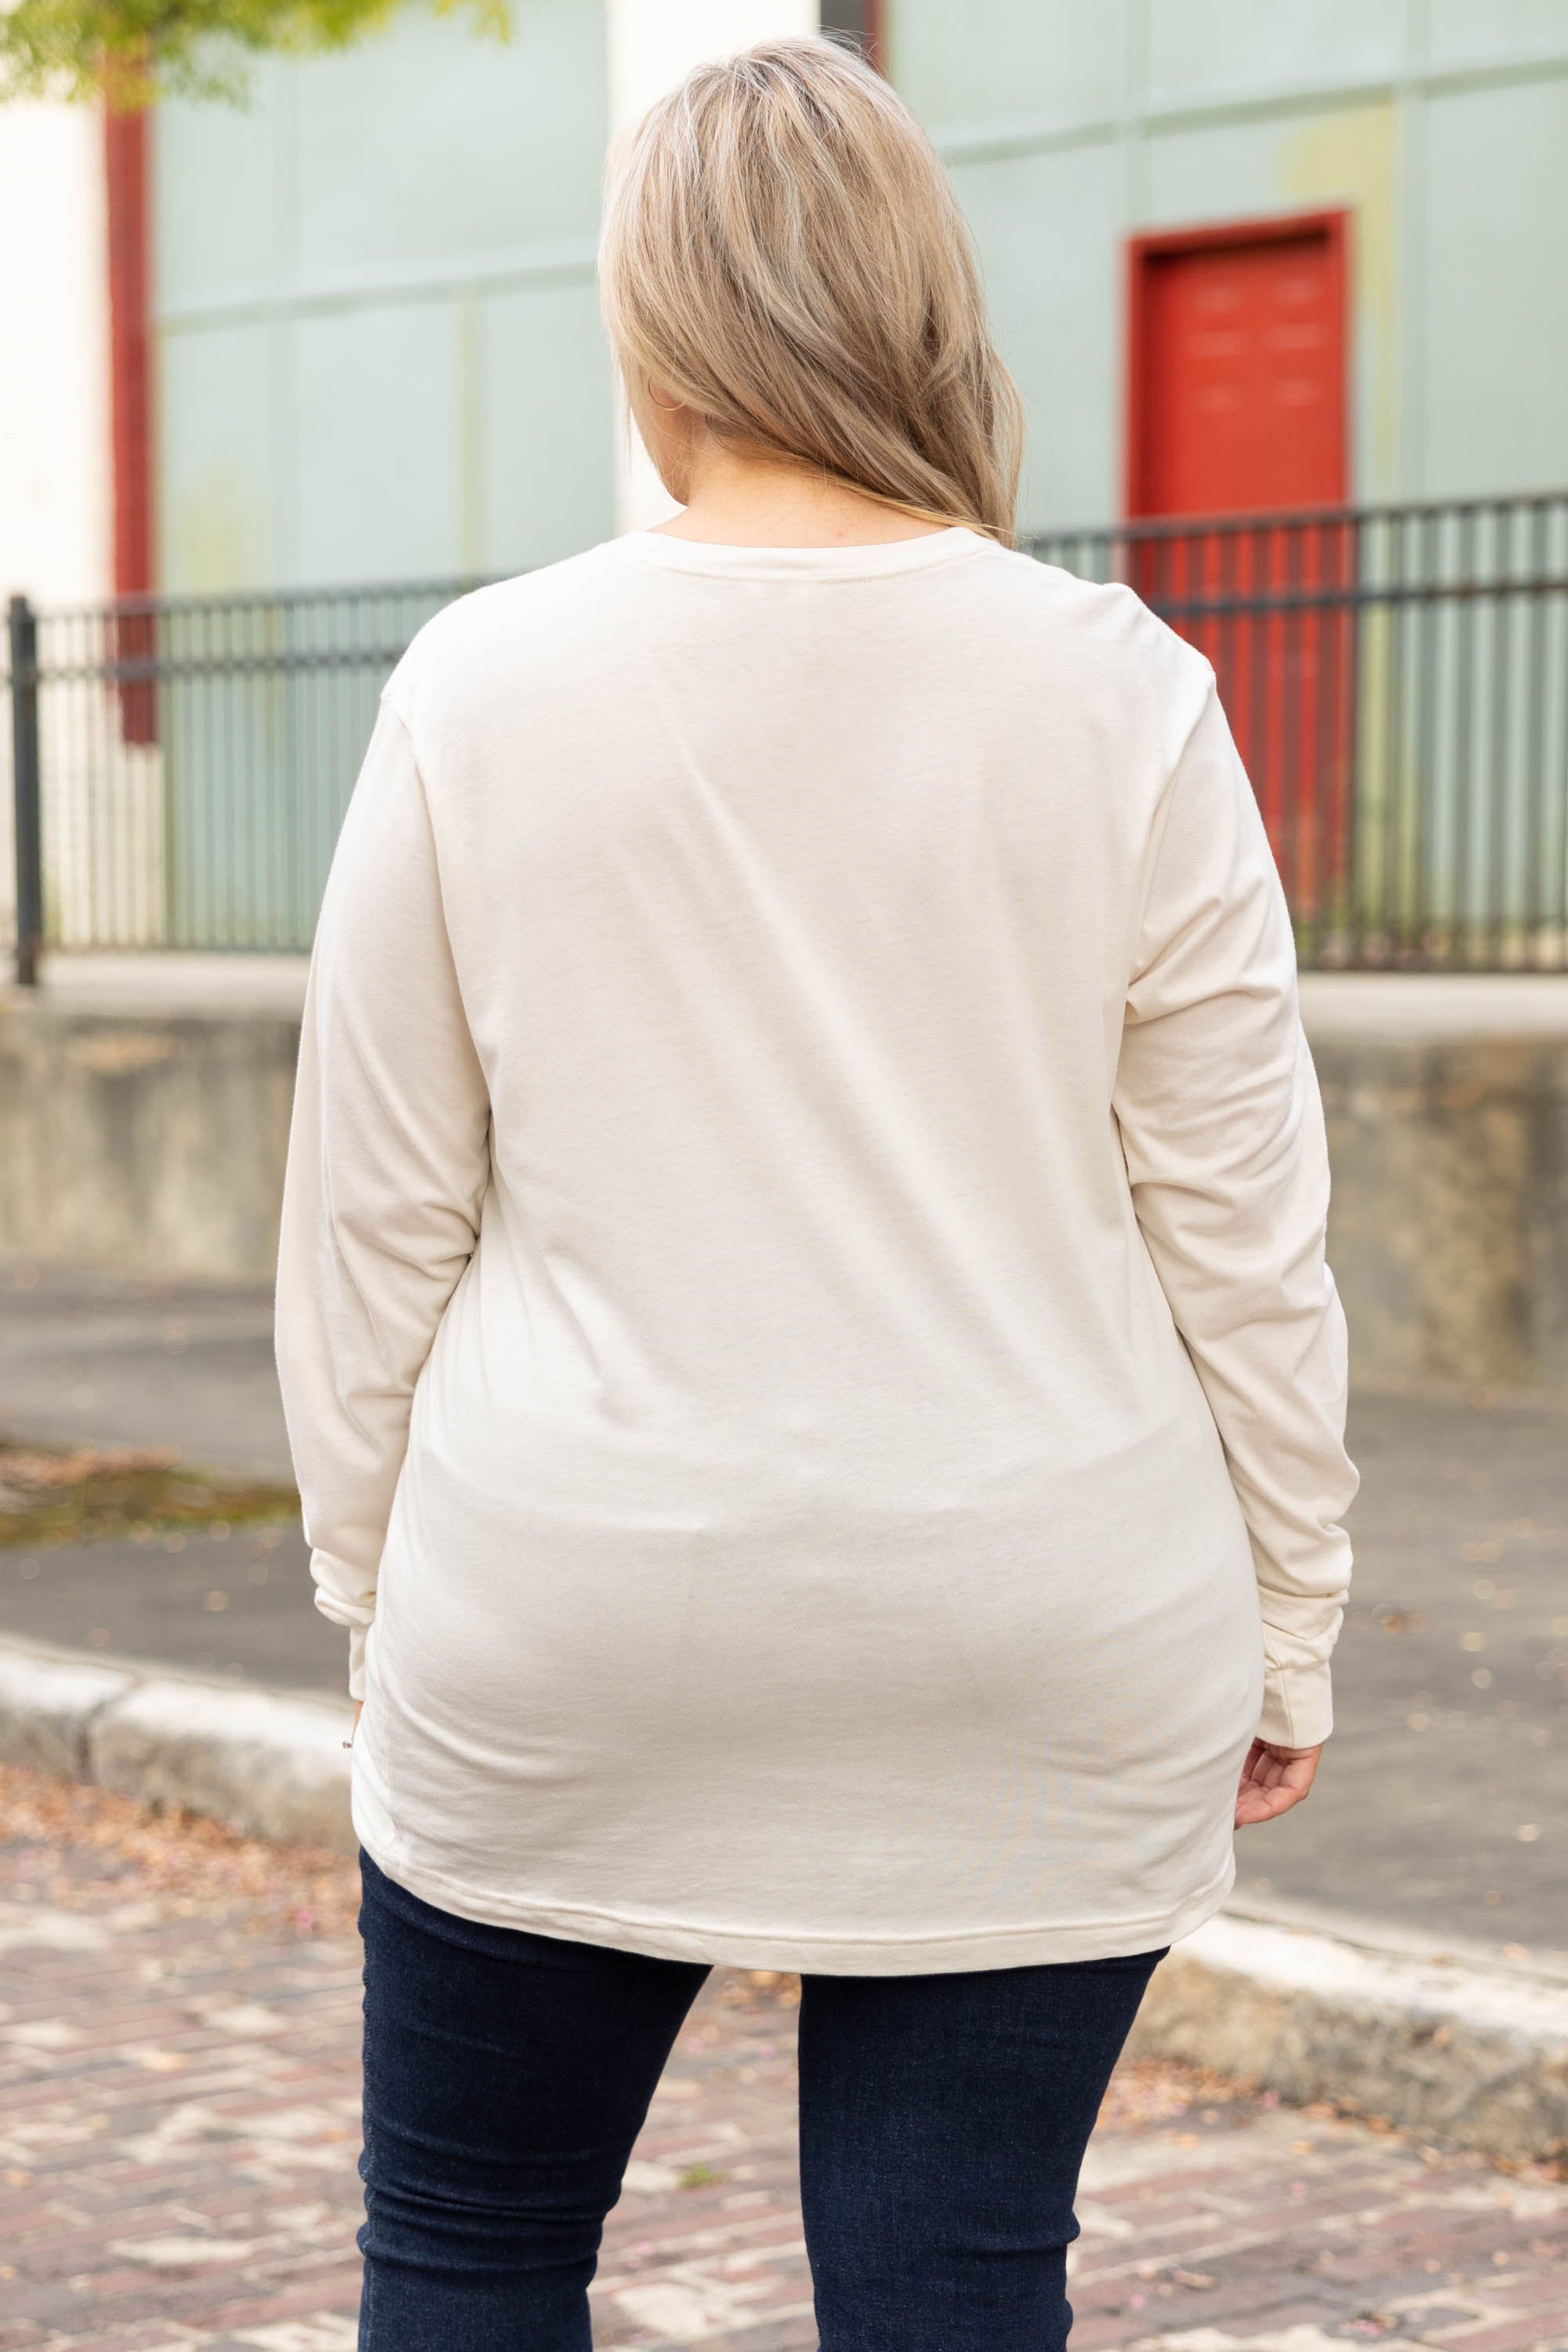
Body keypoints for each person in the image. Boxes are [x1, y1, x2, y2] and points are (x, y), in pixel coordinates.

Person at [274, 34, 1358, 2352]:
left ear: (651, 321)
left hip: (573, 1598)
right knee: (957, 2281)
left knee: (470, 2250)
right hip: (1037, 1610)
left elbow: (371, 1219)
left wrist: (384, 1591)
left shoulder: (481, 687)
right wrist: (1293, 1616)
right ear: (926, 308)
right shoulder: (1130, 696)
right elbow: (1246, 1232)